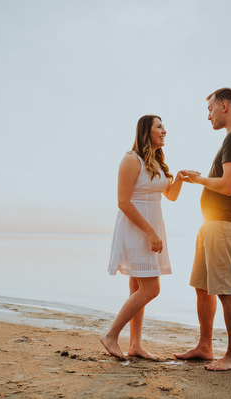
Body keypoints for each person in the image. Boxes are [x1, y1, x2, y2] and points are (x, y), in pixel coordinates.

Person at [174, 88, 231, 371]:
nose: (207, 116)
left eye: (210, 109)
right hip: (212, 223)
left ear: (224, 106)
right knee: (203, 287)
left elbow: (229, 186)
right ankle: (205, 347)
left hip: (225, 223)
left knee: (226, 291)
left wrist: (199, 180)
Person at [100, 115, 185, 361]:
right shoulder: (131, 159)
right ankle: (111, 335)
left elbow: (171, 195)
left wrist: (178, 177)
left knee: (138, 287)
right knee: (150, 288)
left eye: (164, 126)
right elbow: (123, 202)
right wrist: (149, 232)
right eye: (159, 126)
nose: (164, 130)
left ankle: (135, 345)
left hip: (153, 228)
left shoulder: (156, 162)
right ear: (145, 131)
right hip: (138, 230)